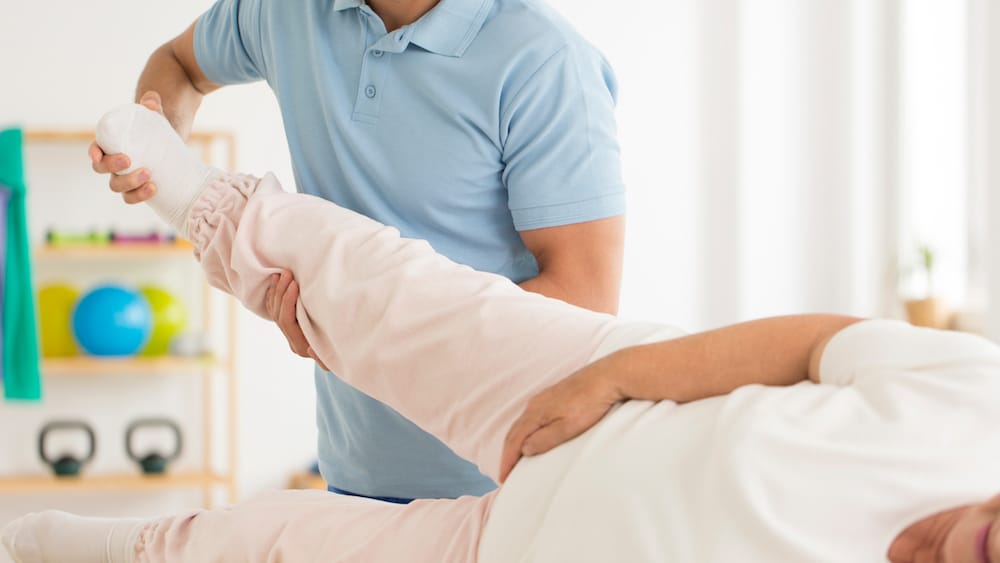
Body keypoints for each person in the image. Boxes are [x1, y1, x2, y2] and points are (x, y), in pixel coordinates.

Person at [5, 103, 999, 563]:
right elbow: (813, 344)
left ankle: (39, 544)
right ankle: (189, 187)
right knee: (386, 290)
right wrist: (613, 379)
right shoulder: (975, 403)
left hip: (515, 552)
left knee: (261, 548)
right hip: (612, 396)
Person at [88, 0, 627, 503]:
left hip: (508, 484)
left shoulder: (547, 64)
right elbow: (180, 63)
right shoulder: (288, 12)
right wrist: (159, 143)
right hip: (355, 476)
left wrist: (358, 326)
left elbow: (583, 305)